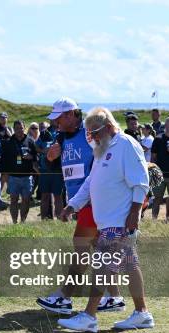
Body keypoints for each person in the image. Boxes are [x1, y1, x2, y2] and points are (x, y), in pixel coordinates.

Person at [57, 107, 153, 333]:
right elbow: (91, 182)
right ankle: (142, 314)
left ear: (109, 127)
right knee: (130, 265)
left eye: (96, 133)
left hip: (119, 219)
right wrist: (73, 205)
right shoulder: (102, 149)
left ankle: (89, 316)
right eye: (90, 134)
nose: (93, 138)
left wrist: (134, 213)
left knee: (103, 266)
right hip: (108, 220)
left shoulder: (126, 145)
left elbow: (141, 181)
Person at [37, 98, 124, 314]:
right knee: (97, 249)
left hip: (93, 200)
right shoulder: (62, 137)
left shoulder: (89, 134)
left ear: (70, 115)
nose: (55, 122)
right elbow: (60, 163)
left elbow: (104, 160)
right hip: (80, 201)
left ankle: (63, 297)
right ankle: (113, 297)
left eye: (58, 118)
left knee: (81, 247)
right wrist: (51, 156)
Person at [1, 120, 36, 224]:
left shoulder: (30, 141)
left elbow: (36, 157)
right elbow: (4, 160)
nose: (19, 130)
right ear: (14, 129)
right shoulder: (9, 142)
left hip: (27, 176)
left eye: (21, 128)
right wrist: (5, 175)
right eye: (17, 128)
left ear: (24, 128)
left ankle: (23, 221)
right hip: (13, 177)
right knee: (13, 200)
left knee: (26, 200)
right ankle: (15, 222)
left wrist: (31, 156)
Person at [35, 124, 64, 219]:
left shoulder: (63, 132)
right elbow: (36, 147)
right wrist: (44, 151)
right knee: (44, 196)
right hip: (44, 170)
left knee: (58, 196)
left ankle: (60, 219)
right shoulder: (44, 133)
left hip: (57, 170)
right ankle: (44, 219)